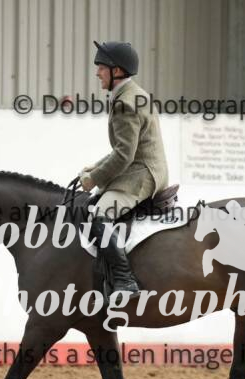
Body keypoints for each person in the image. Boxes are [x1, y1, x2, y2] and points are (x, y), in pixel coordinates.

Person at [77, 40, 169, 298]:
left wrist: (93, 179)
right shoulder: (134, 94)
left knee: (99, 216)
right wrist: (95, 167)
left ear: (116, 71)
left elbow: (124, 155)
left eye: (101, 68)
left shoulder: (125, 103)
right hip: (145, 168)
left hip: (141, 176)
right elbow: (125, 148)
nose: (97, 73)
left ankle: (125, 280)